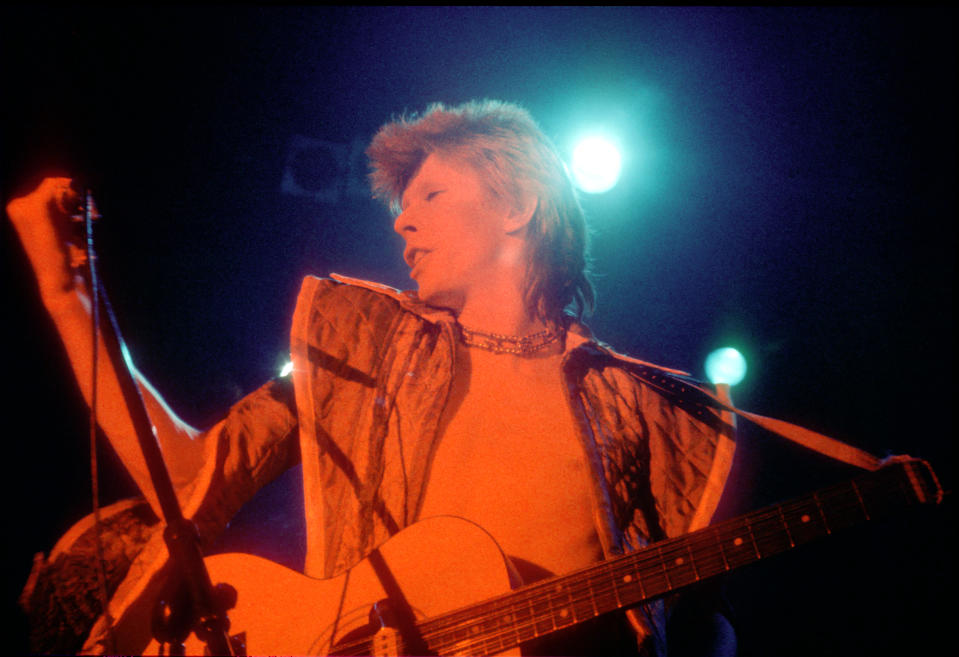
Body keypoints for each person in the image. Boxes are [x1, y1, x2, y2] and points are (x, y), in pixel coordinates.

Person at [8, 99, 738, 655]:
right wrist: (67, 298)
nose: (399, 223)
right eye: (401, 204)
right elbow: (187, 476)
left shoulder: (645, 406)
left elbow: (704, 622)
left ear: (517, 206)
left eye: (429, 196)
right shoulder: (360, 360)